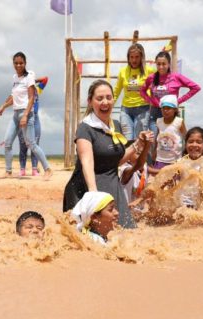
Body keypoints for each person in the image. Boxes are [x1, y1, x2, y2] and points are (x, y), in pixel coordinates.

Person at [63, 79, 154, 229]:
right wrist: (93, 194)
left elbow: (115, 161)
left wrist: (138, 143)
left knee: (126, 231)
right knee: (91, 238)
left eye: (109, 97)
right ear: (90, 101)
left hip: (113, 186)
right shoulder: (85, 128)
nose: (105, 102)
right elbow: (87, 162)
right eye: (99, 98)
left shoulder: (116, 126)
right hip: (87, 187)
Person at [0, 52, 52, 179]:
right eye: (16, 63)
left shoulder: (29, 77)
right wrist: (3, 106)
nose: (18, 65)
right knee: (8, 142)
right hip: (15, 114)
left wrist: (26, 115)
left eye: (21, 63)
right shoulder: (15, 78)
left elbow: (32, 97)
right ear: (13, 64)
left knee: (31, 144)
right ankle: (8, 171)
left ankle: (47, 169)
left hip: (26, 113)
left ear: (25, 63)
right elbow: (13, 97)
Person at [139, 51, 200, 162]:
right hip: (155, 113)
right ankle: (154, 165)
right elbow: (142, 91)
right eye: (158, 64)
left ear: (169, 64)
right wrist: (151, 101)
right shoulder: (151, 78)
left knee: (174, 140)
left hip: (172, 115)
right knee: (156, 140)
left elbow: (195, 87)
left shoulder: (176, 77)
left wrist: (178, 101)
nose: (161, 67)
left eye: (164, 64)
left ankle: (177, 162)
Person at [114, 43, 156, 140]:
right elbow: (116, 91)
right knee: (127, 139)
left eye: (137, 57)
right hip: (126, 110)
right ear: (128, 58)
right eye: (131, 57)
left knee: (139, 139)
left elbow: (157, 87)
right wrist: (109, 105)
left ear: (142, 57)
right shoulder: (123, 72)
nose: (134, 60)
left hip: (143, 109)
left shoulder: (149, 71)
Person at [17, 77, 48, 177]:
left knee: (35, 145)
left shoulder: (37, 90)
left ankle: (34, 169)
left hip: (35, 119)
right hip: (24, 118)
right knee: (23, 145)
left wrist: (32, 80)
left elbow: (45, 79)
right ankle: (22, 169)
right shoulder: (22, 92)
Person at [153, 95, 187, 171]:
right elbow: (157, 138)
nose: (165, 111)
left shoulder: (179, 122)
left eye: (168, 108)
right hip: (160, 160)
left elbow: (186, 138)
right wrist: (154, 152)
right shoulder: (159, 121)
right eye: (163, 109)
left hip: (175, 161)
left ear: (175, 109)